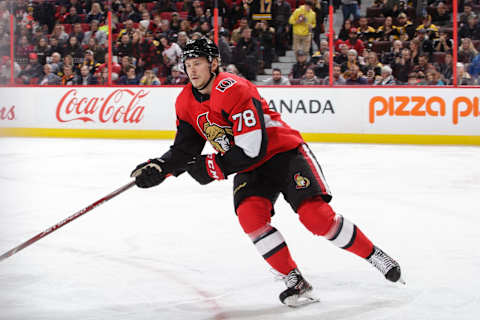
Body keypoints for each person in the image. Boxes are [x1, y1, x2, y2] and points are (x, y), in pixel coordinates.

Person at [130, 38, 405, 307]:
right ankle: (295, 281)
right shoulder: (185, 101)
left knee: (317, 218)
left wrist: (211, 168)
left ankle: (375, 255)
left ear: (213, 63)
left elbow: (252, 148)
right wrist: (160, 167)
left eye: (198, 63)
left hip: (283, 154)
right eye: (188, 64)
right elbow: (185, 150)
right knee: (250, 218)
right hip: (248, 167)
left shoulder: (233, 88)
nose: (191, 70)